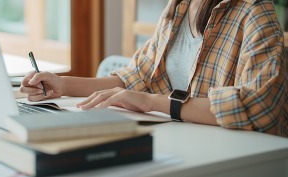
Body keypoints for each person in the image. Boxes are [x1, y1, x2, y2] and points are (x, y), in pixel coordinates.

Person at [20, 0, 288, 137]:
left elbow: (259, 107)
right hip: (190, 141)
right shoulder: (179, 6)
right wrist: (63, 85)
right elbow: (137, 76)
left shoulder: (254, 10)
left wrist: (152, 102)